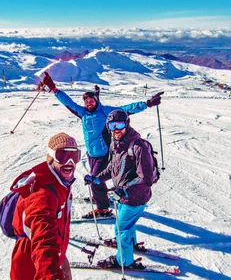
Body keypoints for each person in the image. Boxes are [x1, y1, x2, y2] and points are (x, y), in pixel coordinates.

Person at [8, 132, 92, 280]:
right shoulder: (43, 194)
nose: (69, 163)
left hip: (55, 255)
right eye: (63, 155)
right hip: (34, 266)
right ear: (50, 157)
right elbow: (43, 240)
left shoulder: (59, 181)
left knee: (65, 277)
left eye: (74, 156)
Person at [39, 72, 162, 219]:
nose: (89, 103)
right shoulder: (83, 113)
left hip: (104, 154)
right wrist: (53, 88)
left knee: (95, 180)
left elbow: (127, 109)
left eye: (92, 100)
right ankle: (101, 197)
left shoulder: (105, 112)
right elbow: (68, 102)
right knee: (96, 179)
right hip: (92, 154)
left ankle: (103, 208)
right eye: (87, 101)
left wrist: (147, 104)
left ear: (96, 101)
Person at [84, 110, 155, 269]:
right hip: (123, 196)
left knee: (120, 227)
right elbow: (112, 168)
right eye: (112, 125)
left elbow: (146, 179)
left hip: (135, 197)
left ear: (127, 124)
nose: (116, 129)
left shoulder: (138, 146)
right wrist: (96, 178)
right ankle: (131, 243)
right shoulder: (115, 144)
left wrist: (125, 190)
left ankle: (124, 261)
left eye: (120, 125)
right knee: (127, 224)